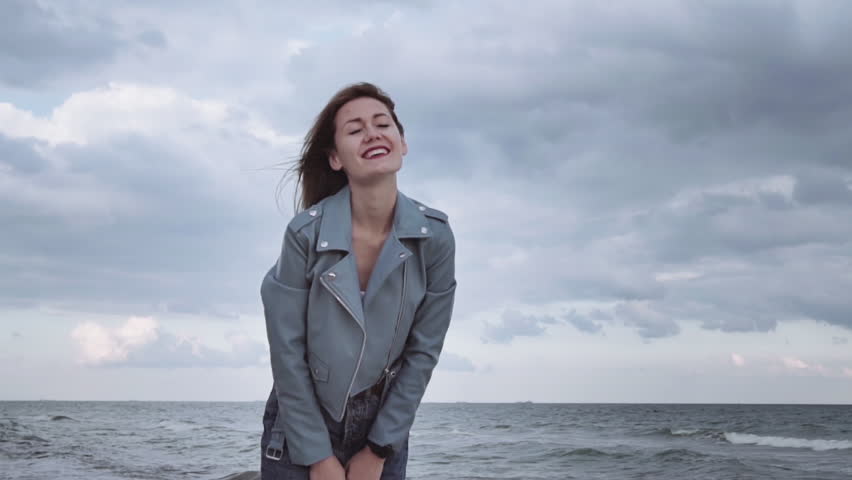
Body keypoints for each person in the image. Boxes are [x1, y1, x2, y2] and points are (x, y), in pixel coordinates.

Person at [259, 82, 457, 480]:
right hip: (301, 422)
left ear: (402, 143)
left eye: (382, 124)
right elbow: (287, 354)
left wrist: (380, 448)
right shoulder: (304, 235)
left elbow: (423, 353)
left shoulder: (434, 236)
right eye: (355, 129)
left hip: (383, 427)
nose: (372, 133)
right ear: (335, 158)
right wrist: (317, 455)